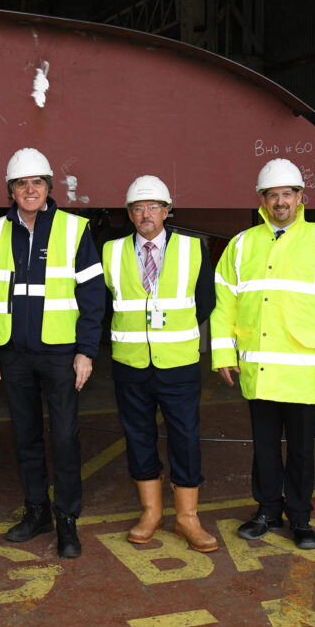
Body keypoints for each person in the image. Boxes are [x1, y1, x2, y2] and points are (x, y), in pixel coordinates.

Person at [211, 158, 315, 550]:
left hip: (305, 372)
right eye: (272, 195)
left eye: (287, 194)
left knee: (302, 451)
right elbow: (223, 302)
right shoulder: (242, 244)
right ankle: (267, 511)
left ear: (300, 198)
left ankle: (300, 518)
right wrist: (223, 354)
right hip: (258, 370)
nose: (280, 202)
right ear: (262, 200)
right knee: (264, 449)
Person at [0, 148, 104, 558]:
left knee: (64, 436)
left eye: (37, 183)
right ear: (11, 191)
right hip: (12, 353)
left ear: (49, 187)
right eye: (21, 184)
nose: (30, 190)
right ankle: (36, 512)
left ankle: (66, 519)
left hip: (61, 354)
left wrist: (86, 350)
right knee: (25, 436)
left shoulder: (74, 229)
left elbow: (93, 295)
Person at [102, 176, 218, 552]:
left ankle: (187, 517)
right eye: (137, 208)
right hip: (131, 361)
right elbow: (104, 304)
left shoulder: (194, 249)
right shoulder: (110, 251)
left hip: (178, 362)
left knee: (184, 437)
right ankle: (151, 512)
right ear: (129, 215)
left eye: (153, 206)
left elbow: (205, 301)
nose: (145, 214)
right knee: (138, 436)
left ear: (167, 210)